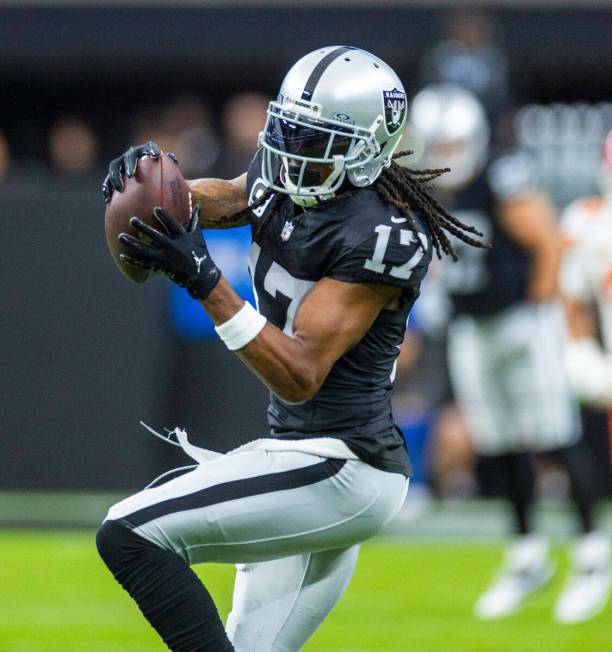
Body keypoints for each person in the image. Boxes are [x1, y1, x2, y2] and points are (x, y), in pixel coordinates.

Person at [95, 47, 486, 651]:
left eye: (314, 138)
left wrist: (203, 277)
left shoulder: (379, 234)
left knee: (129, 533)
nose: (292, 149)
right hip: (305, 456)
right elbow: (227, 194)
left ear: (365, 148)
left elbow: (300, 372)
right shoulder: (292, 177)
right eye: (288, 128)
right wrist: (159, 192)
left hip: (344, 466)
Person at [410, 83, 602, 623]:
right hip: (473, 326)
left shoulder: (501, 174)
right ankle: (527, 556)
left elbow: (547, 244)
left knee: (554, 435)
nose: (447, 155)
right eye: (438, 145)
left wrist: (538, 315)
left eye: (454, 144)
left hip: (521, 320)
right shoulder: (431, 189)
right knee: (497, 440)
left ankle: (591, 555)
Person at [557, 130, 612, 624]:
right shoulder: (588, 219)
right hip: (607, 363)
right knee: (581, 445)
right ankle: (592, 556)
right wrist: (581, 351)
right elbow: (572, 299)